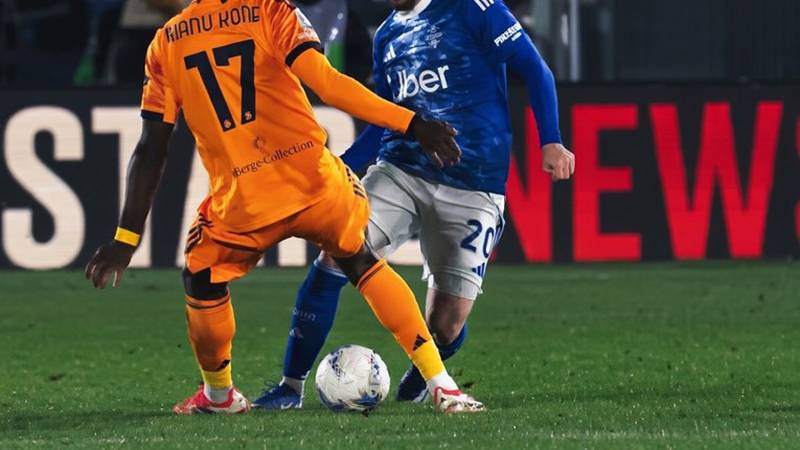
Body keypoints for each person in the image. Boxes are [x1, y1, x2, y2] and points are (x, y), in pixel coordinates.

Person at [84, 0, 483, 415]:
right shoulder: (271, 10)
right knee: (361, 260)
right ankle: (443, 386)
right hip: (316, 184)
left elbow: (151, 148)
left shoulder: (166, 43)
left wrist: (125, 238)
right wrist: (412, 123)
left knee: (201, 278)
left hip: (244, 202)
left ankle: (220, 396)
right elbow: (328, 84)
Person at [254, 0, 574, 409]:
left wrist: (551, 139)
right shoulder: (387, 35)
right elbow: (386, 117)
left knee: (446, 323)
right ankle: (290, 386)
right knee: (335, 253)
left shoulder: (473, 8)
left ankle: (421, 374)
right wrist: (340, 166)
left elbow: (534, 68)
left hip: (474, 184)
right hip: (399, 171)